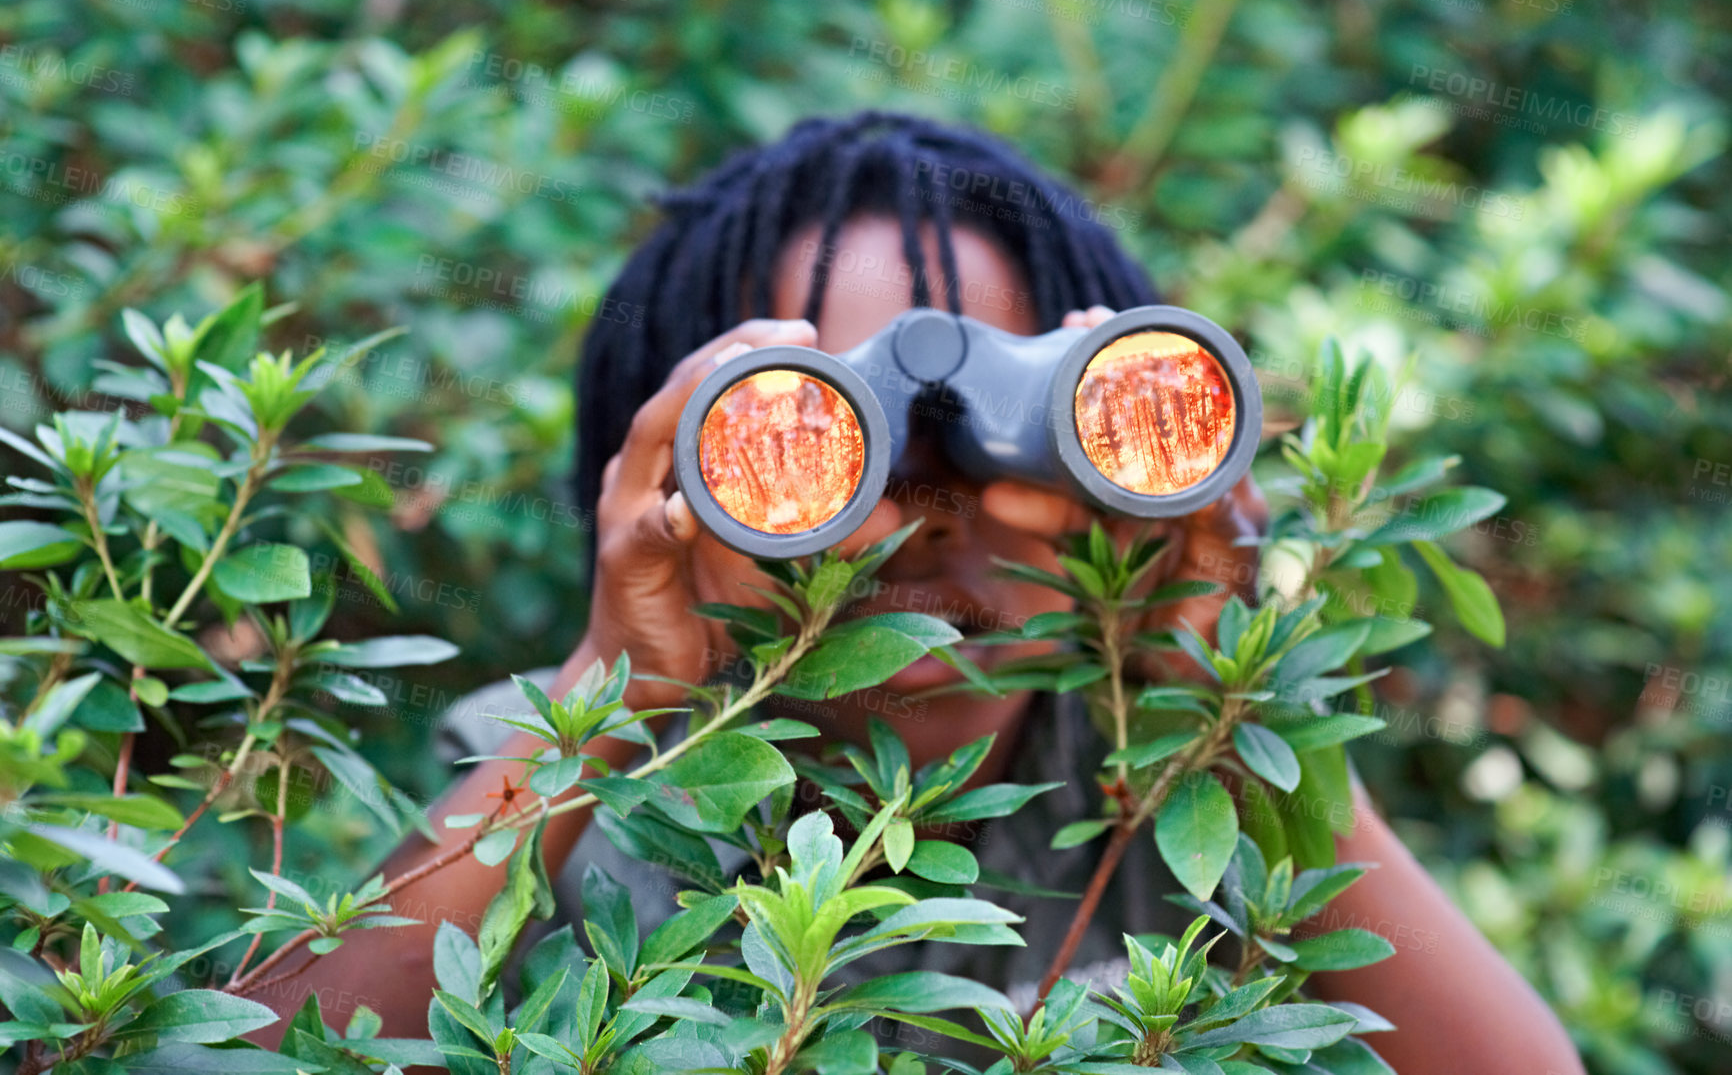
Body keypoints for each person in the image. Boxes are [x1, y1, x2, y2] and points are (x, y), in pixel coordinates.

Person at [258, 112, 1584, 1073]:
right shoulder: (577, 772)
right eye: (809, 449)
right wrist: (610, 686)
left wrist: (1234, 707)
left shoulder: (1160, 795)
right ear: (669, 475)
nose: (917, 525)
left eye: (999, 444)